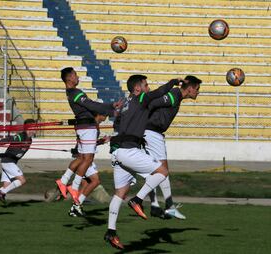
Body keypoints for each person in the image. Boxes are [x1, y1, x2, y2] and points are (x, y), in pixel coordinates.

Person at [104, 75, 183, 249]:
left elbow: (117, 124)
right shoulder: (141, 99)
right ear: (138, 89)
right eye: (146, 85)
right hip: (129, 151)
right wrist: (172, 82)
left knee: (120, 192)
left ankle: (111, 231)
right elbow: (158, 93)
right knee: (162, 172)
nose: (148, 88)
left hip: (118, 152)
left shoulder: (124, 103)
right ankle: (138, 200)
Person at [55, 67, 121, 205]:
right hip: (87, 127)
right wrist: (111, 107)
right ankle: (72, 187)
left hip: (83, 127)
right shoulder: (75, 92)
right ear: (69, 78)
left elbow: (91, 105)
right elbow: (92, 105)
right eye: (75, 75)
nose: (78, 77)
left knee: (83, 158)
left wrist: (110, 106)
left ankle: (64, 181)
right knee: (88, 158)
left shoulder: (71, 93)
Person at [144, 75, 202, 220]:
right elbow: (152, 104)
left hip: (149, 132)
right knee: (163, 170)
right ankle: (169, 206)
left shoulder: (176, 96)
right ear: (189, 88)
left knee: (154, 171)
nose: (198, 92)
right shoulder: (175, 95)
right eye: (197, 89)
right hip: (152, 133)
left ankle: (155, 205)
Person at [0, 119, 37, 207]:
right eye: (34, 128)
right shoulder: (20, 136)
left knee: (6, 186)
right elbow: (6, 140)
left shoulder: (29, 140)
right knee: (22, 180)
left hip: (10, 162)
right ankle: (2, 193)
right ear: (28, 128)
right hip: (8, 161)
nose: (35, 130)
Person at [66, 113, 110, 217]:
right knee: (95, 181)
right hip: (86, 158)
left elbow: (90, 142)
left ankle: (75, 207)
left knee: (86, 184)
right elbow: (86, 142)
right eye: (105, 114)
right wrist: (102, 141)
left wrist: (102, 141)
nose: (106, 117)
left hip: (86, 156)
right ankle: (75, 204)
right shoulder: (92, 125)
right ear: (98, 114)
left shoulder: (93, 124)